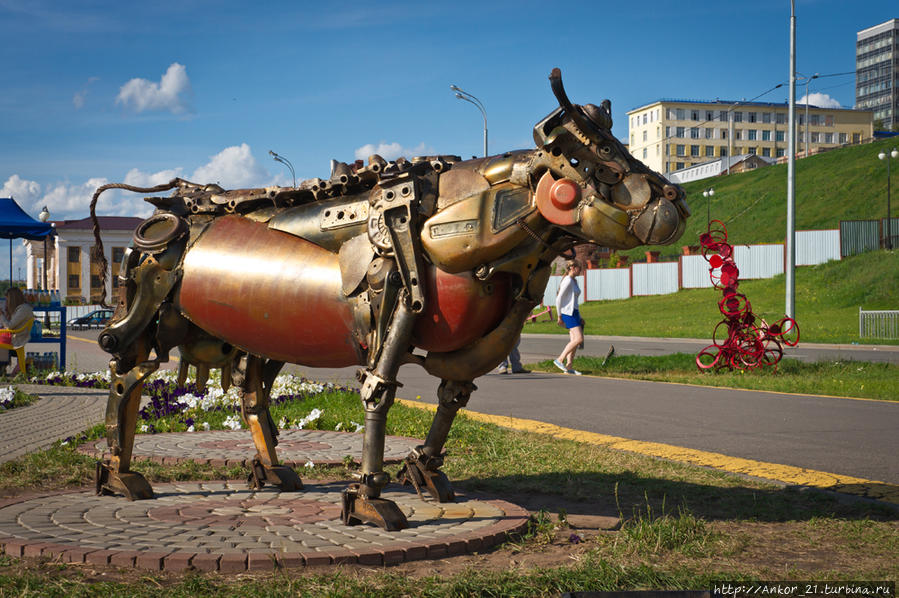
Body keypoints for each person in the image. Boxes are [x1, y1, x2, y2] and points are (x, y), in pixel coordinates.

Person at [553, 260, 584, 375]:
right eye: (579, 268)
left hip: (574, 313)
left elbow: (574, 301)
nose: (580, 270)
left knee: (574, 341)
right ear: (572, 268)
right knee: (579, 339)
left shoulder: (574, 281)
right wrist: (559, 315)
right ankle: (560, 359)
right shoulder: (567, 280)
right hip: (567, 314)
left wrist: (579, 316)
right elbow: (558, 298)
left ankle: (569, 366)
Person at [0, 287, 34, 376]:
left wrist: (1, 315)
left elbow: (9, 326)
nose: (6, 303)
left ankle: (2, 368)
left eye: (7, 300)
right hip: (14, 335)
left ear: (12, 299)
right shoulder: (21, 308)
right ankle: (3, 367)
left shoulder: (23, 309)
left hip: (17, 338)